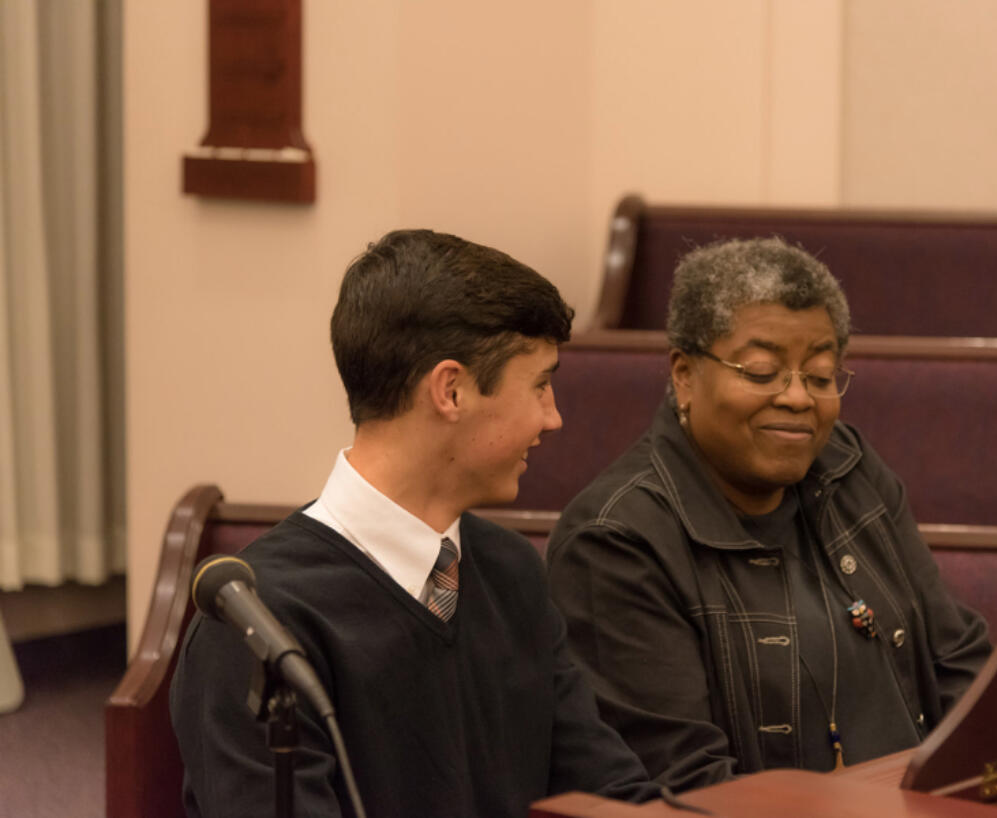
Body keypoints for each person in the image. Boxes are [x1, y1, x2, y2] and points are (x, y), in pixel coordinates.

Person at [170, 229, 658, 818]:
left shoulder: (510, 571)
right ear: (450, 390)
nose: (552, 418)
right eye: (541, 384)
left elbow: (609, 789)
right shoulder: (257, 625)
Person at [546, 236, 992, 791]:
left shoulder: (846, 467)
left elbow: (959, 659)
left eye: (822, 376)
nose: (798, 398)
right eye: (761, 372)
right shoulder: (616, 541)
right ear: (684, 375)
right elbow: (689, 784)